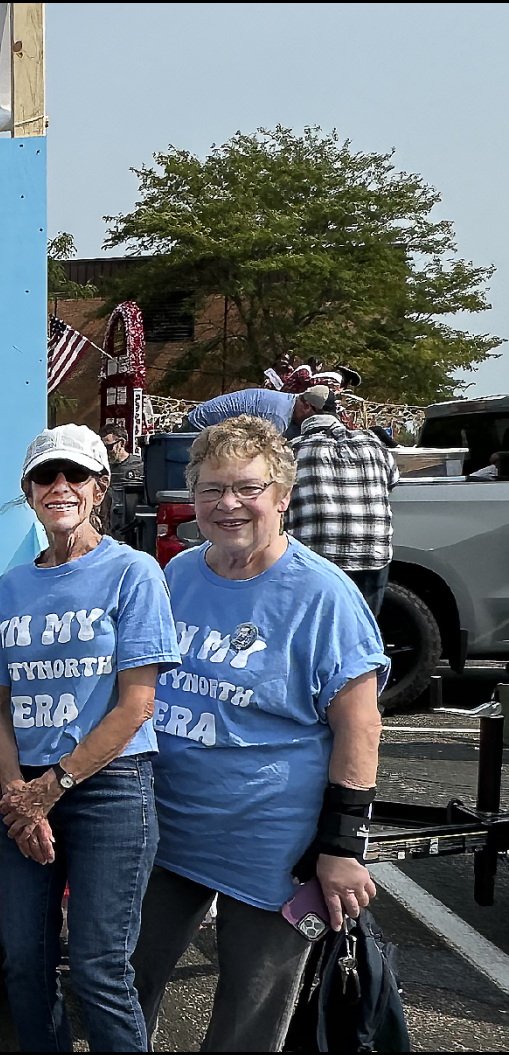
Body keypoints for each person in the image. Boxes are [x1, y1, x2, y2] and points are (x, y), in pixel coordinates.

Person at [131, 415, 387, 1052]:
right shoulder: (178, 575)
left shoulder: (323, 596)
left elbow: (360, 727)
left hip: (271, 845)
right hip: (167, 831)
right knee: (122, 988)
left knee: (248, 1020)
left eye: (247, 488)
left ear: (281, 495)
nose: (228, 505)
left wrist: (341, 844)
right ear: (192, 499)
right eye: (212, 489)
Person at [0, 424, 178, 1052]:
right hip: (25, 786)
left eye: (75, 476)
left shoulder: (133, 572)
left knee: (99, 968)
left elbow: (136, 705)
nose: (60, 486)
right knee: (23, 963)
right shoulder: (14, 586)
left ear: (99, 489)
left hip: (108, 785)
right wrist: (17, 792)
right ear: (28, 492)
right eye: (46, 476)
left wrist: (53, 787)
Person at [285, 407, 400, 616]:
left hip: (316, 557)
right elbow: (392, 482)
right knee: (364, 624)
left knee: (316, 625)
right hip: (372, 554)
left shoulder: (292, 451)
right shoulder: (375, 445)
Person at [181, 385, 330, 435]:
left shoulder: (290, 406)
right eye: (317, 416)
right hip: (197, 429)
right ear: (306, 406)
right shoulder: (278, 416)